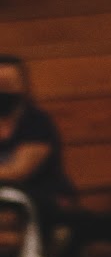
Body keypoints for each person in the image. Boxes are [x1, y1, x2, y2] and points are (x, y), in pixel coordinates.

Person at [0, 55, 77, 243]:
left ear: (24, 87)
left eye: (8, 85)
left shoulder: (36, 122)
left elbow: (18, 172)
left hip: (41, 199)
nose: (3, 91)